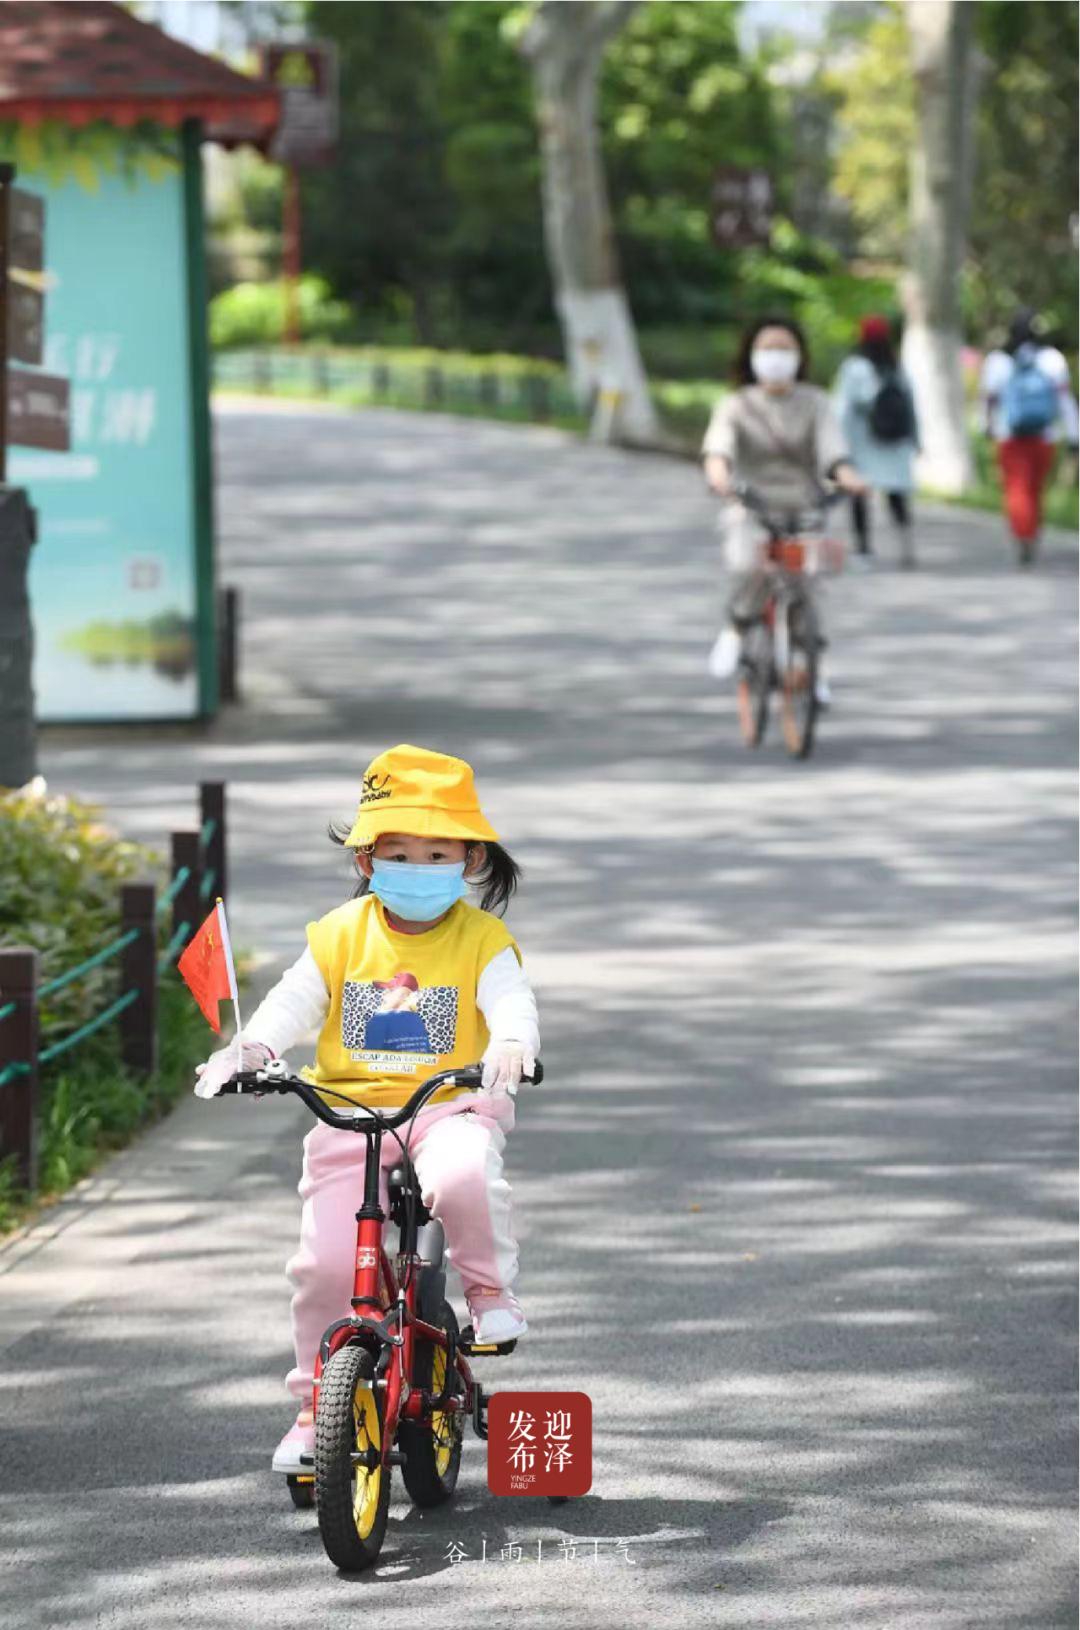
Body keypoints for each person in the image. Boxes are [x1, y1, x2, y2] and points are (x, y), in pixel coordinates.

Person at [192, 744, 541, 1475]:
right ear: (366, 859)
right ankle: (312, 1410)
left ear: (471, 859)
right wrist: (250, 1050)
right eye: (399, 853)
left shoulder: (482, 940)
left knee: (466, 1178)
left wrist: (513, 1042)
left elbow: (511, 1000)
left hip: (445, 1108)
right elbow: (292, 1001)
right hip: (348, 1115)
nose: (418, 867)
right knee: (322, 1265)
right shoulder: (338, 934)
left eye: (437, 853)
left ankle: (488, 1292)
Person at [702, 315, 868, 706]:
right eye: (767, 348)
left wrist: (849, 477)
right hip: (752, 505)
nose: (775, 356)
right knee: (750, 563)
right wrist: (719, 475)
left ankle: (813, 667)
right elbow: (719, 449)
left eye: (784, 348)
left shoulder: (815, 403)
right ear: (751, 355)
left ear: (799, 356)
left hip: (804, 505)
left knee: (808, 581)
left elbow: (833, 450)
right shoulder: (736, 405)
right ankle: (737, 626)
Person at [979, 309, 1079, 565]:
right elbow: (1065, 400)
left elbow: (989, 400)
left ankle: (1022, 535)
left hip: (1009, 436)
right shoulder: (1051, 359)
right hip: (1044, 437)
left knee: (1016, 488)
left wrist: (986, 426)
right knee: (1035, 489)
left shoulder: (998, 361)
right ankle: (1032, 533)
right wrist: (1074, 434)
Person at [832, 314, 919, 569]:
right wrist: (916, 439)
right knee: (897, 496)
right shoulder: (897, 368)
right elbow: (911, 407)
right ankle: (905, 544)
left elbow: (842, 408)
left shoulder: (854, 367)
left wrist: (836, 445)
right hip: (895, 445)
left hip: (862, 443)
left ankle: (863, 549)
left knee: (859, 495)